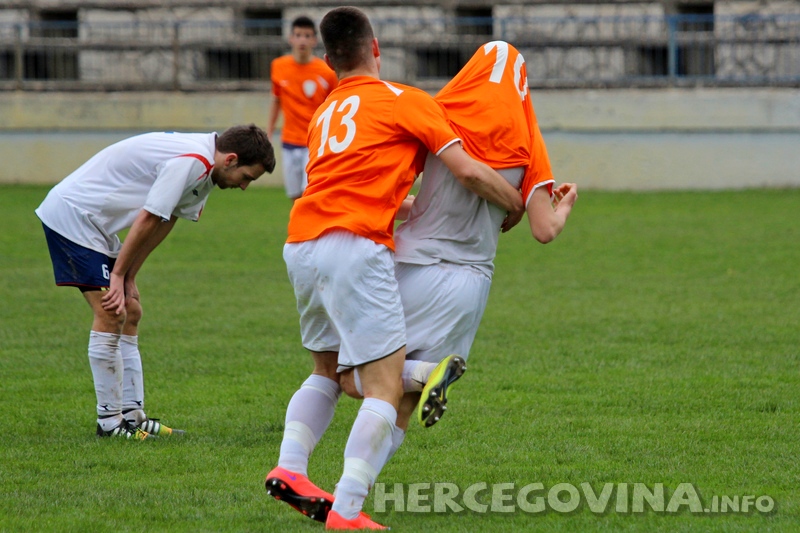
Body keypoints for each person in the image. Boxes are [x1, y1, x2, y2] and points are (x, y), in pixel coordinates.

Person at [263, 7, 524, 531]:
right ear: (375, 46)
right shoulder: (406, 100)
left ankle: (290, 468)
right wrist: (513, 203)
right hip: (355, 248)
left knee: (330, 372)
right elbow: (469, 171)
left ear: (329, 57)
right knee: (383, 388)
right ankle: (349, 512)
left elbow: (352, 185)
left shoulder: (323, 113)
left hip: (300, 243)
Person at [35, 125, 275, 440]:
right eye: (247, 178)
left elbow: (167, 218)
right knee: (111, 312)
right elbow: (148, 216)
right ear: (230, 159)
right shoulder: (193, 161)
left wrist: (130, 274)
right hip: (74, 216)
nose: (244, 186)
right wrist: (118, 275)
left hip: (95, 225)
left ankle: (133, 417)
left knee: (131, 310)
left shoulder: (206, 170)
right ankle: (109, 423)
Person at [267, 15, 338, 201]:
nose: (302, 40)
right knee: (294, 196)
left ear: (314, 40)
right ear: (291, 38)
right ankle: (301, 231)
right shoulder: (278, 66)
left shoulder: (326, 72)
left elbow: (335, 105)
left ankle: (314, 230)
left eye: (307, 36)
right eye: (298, 35)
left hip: (314, 142)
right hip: (289, 141)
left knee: (310, 193)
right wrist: (269, 132)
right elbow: (276, 100)